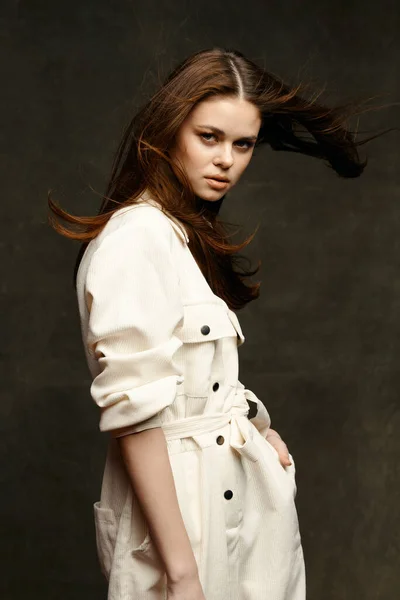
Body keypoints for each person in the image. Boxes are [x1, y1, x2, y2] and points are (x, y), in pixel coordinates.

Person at [47, 47, 390, 600]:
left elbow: (199, 381)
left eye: (243, 143)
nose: (226, 160)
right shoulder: (138, 237)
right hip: (184, 524)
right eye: (209, 137)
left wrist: (256, 424)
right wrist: (182, 573)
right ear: (168, 130)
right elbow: (136, 417)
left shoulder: (178, 237)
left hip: (242, 516)